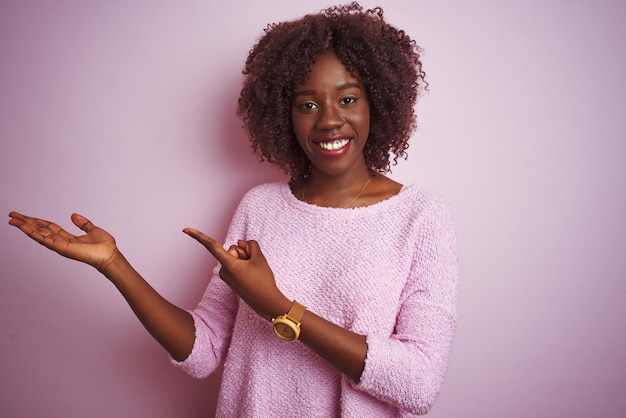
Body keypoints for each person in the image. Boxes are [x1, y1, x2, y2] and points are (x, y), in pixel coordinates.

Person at [8, 3, 458, 417]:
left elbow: (418, 383)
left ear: (377, 100)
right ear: (284, 115)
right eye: (307, 104)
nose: (328, 120)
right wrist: (113, 264)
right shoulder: (260, 207)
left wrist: (280, 307)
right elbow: (203, 351)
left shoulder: (419, 217)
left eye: (347, 98)